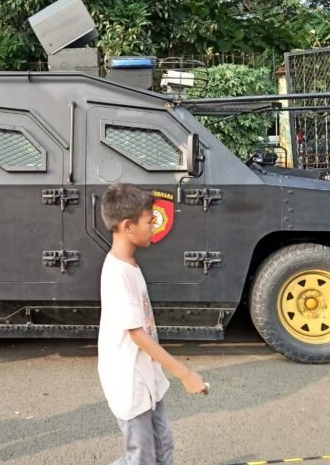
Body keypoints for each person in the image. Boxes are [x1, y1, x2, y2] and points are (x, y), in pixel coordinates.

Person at [98, 183, 208, 465]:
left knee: (162, 447)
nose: (154, 228)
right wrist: (185, 373)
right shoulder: (117, 273)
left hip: (147, 376)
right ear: (127, 226)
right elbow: (137, 335)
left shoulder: (130, 263)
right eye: (150, 221)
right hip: (129, 382)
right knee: (142, 458)